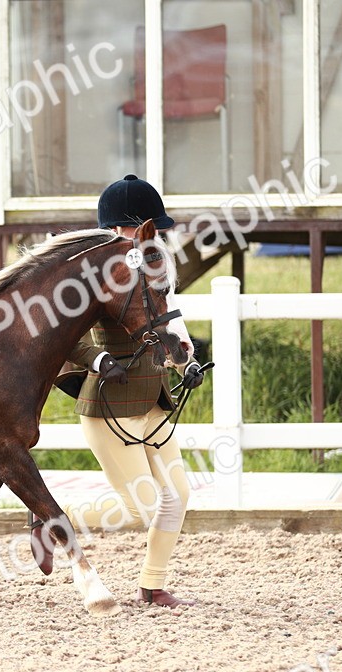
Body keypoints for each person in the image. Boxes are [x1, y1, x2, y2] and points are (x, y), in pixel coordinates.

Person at [62, 174, 206, 608]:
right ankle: (55, 515)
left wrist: (189, 359)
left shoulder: (154, 265)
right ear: (126, 230)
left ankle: (152, 583)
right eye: (149, 227)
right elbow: (66, 336)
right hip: (110, 404)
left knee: (177, 495)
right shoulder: (90, 274)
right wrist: (98, 360)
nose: (157, 234)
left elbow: (170, 321)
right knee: (138, 506)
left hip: (152, 398)